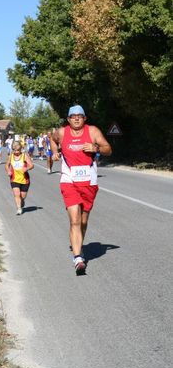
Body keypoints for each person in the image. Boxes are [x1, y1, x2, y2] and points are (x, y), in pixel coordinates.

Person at [50, 105, 112, 275]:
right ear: (68, 119)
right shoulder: (62, 132)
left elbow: (108, 149)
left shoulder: (92, 131)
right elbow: (52, 139)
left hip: (89, 182)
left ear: (84, 118)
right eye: (73, 116)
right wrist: (55, 152)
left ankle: (79, 246)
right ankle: (78, 257)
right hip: (69, 181)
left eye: (80, 116)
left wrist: (96, 148)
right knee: (75, 220)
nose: (76, 118)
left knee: (83, 221)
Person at [5, 141, 34, 215]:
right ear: (13, 150)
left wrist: (27, 168)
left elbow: (31, 165)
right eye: (14, 150)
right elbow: (6, 165)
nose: (16, 152)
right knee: (16, 194)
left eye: (18, 150)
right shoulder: (10, 156)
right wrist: (8, 171)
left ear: (20, 149)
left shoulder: (24, 155)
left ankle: (22, 202)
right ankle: (19, 209)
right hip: (14, 179)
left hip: (24, 179)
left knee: (22, 196)